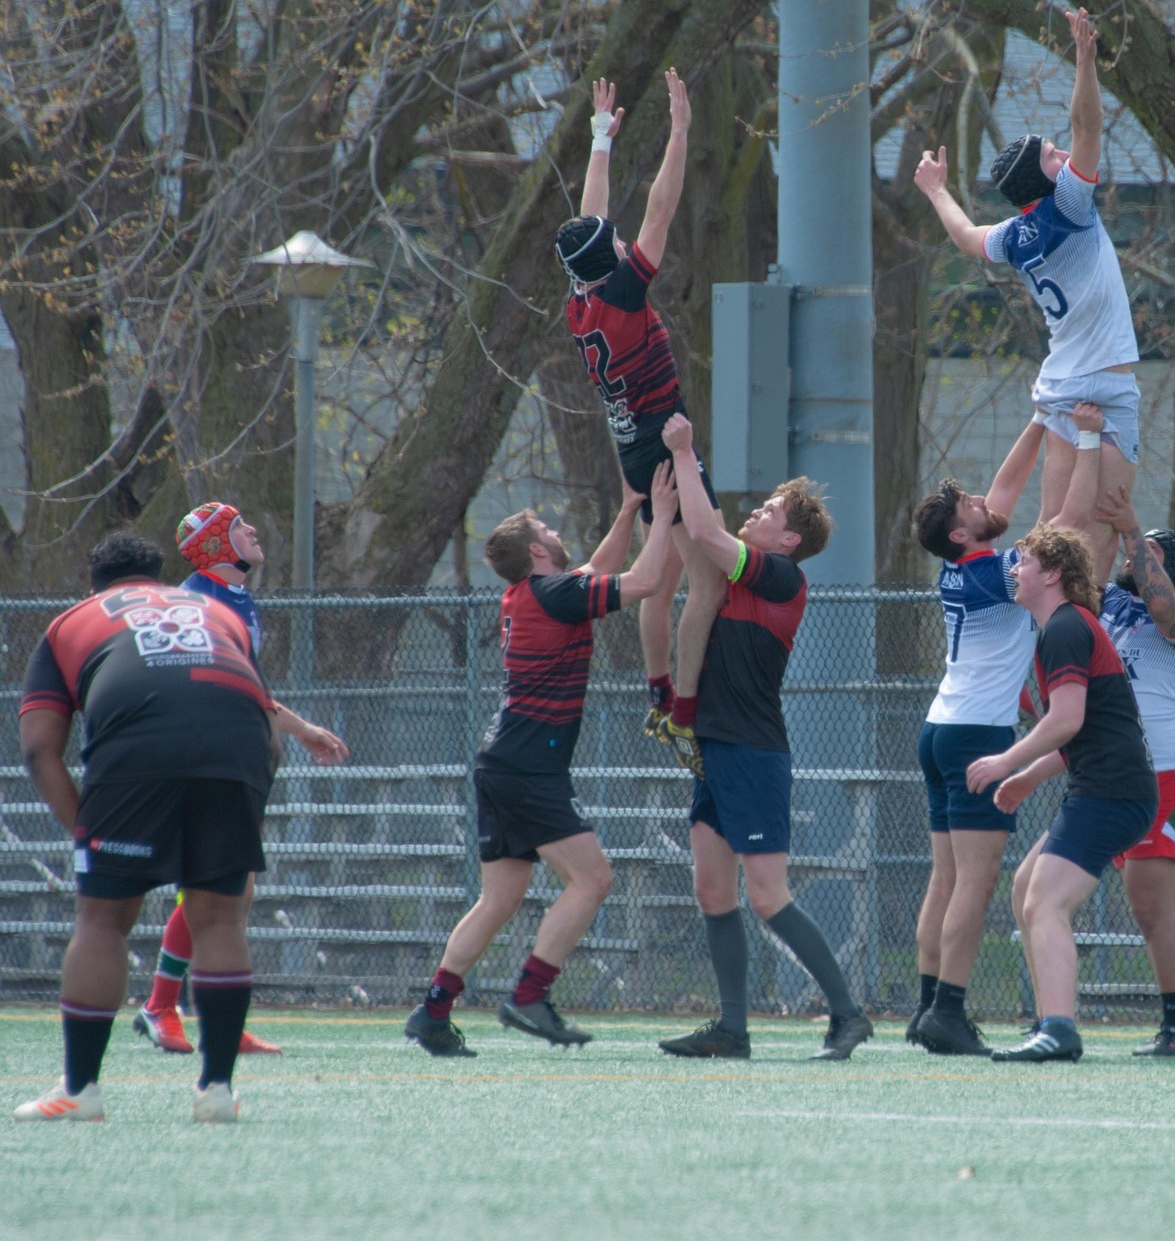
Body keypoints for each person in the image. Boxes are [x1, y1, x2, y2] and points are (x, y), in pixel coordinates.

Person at [404, 467, 680, 1057]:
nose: (556, 532)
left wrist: (631, 511)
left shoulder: (531, 593)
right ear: (536, 549)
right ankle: (530, 994)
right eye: (546, 527)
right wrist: (660, 511)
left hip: (503, 760)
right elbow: (649, 580)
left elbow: (594, 574)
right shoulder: (553, 594)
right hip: (528, 766)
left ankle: (433, 1012)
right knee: (593, 878)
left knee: (499, 898)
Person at [13, 533, 277, 1123]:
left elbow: (38, 750)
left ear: (96, 584)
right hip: (236, 755)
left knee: (104, 919)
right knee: (219, 917)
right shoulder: (217, 611)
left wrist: (86, 829)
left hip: (135, 756)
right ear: (160, 577)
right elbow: (269, 730)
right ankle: (216, 1092)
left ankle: (80, 1091)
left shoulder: (71, 622)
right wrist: (249, 803)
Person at [653, 412, 875, 1062]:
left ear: (790, 537)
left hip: (752, 749)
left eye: (770, 511)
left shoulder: (781, 577)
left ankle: (848, 1013)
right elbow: (696, 535)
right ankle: (732, 1027)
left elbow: (703, 528)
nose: (756, 514)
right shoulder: (739, 575)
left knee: (767, 893)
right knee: (712, 889)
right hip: (717, 748)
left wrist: (687, 449)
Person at [907, 407, 1107, 1056]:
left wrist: (1035, 420)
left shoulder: (965, 559)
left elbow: (1003, 494)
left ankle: (927, 1003)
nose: (984, 501)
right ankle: (949, 1010)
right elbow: (1067, 526)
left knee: (945, 877)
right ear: (963, 532)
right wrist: (1081, 437)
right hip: (973, 733)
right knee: (974, 880)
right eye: (970, 504)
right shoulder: (992, 572)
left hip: (941, 725)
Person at [911, 8, 1139, 555]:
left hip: (1062, 385)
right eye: (1052, 154)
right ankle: (1083, 632)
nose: (1065, 151)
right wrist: (1084, 60)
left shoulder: (1015, 235)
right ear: (1047, 179)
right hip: (1102, 385)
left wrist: (937, 192)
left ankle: (1036, 616)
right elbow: (1088, 125)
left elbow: (966, 237)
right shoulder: (1071, 206)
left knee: (1057, 530)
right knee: (1099, 534)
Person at [133, 501, 350, 1058]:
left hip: (236, 751)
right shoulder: (198, 599)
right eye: (238, 526)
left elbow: (245, 685)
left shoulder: (233, 597)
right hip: (204, 752)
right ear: (217, 546)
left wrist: (298, 729)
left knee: (236, 889)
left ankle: (213, 1017)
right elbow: (197, 680)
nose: (253, 530)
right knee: (218, 887)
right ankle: (161, 1007)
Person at [551, 69, 722, 771]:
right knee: (704, 578)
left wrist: (600, 140)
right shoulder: (622, 295)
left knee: (671, 570)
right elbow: (660, 209)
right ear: (612, 263)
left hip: (632, 444)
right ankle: (682, 708)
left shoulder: (584, 298)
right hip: (660, 442)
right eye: (614, 246)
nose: (624, 245)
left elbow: (591, 226)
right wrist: (679, 133)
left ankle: (659, 694)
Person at [963, 525, 1158, 1064]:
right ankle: (1049, 1018)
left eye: (1023, 561)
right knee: (1028, 886)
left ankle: (1059, 1029)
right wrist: (1029, 777)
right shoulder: (1064, 627)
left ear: (1051, 574)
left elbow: (1066, 720)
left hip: (1113, 792)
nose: (1014, 569)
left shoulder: (1067, 627)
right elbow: (1086, 726)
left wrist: (1008, 759)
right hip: (1107, 787)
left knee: (1045, 901)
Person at [1093, 486, 1175, 1056]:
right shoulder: (1113, 608)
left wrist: (1131, 527)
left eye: (1142, 553)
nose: (1130, 559)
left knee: (1149, 905)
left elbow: (1164, 608)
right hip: (1125, 774)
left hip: (1167, 773)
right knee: (1164, 904)